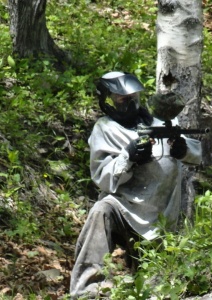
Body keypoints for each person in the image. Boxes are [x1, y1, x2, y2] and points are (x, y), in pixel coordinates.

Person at [70, 71, 203, 298]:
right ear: (107, 100)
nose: (130, 103)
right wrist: (128, 158)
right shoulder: (105, 129)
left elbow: (196, 153)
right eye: (122, 99)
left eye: (133, 97)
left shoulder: (160, 121)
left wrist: (183, 149)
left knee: (154, 287)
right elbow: (102, 177)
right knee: (101, 210)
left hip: (162, 216)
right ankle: (85, 291)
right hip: (125, 210)